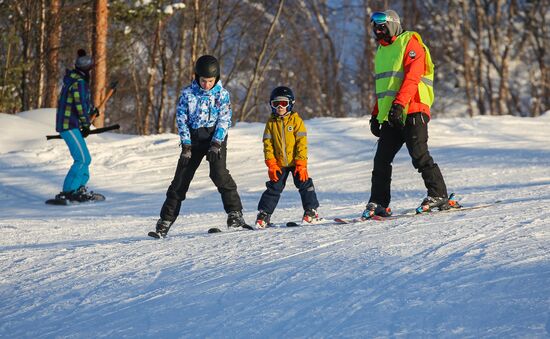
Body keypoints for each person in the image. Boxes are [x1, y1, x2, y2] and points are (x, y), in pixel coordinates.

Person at [363, 10, 458, 219]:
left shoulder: (411, 42)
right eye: (375, 27)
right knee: (381, 160)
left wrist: (399, 105)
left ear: (393, 24)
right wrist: (376, 114)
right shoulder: (382, 51)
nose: (378, 30)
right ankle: (379, 202)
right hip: (393, 113)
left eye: (382, 25)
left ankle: (438, 194)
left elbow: (413, 77)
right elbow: (384, 88)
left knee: (419, 155)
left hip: (413, 108)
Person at [153, 55, 249, 237]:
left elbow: (225, 120)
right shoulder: (187, 94)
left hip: (215, 138)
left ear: (217, 79)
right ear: (197, 77)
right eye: (203, 81)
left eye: (210, 81)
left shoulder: (222, 94)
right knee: (181, 178)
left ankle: (235, 214)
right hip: (194, 139)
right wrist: (186, 146)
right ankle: (165, 220)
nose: (206, 85)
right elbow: (181, 120)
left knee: (218, 174)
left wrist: (216, 143)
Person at [255, 86, 320, 228]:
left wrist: (301, 164)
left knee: (304, 184)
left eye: (283, 103)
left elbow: (302, 144)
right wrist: (271, 163)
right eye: (276, 103)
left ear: (290, 104)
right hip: (279, 164)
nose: (280, 107)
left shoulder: (297, 121)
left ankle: (311, 211)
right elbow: (267, 144)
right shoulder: (271, 124)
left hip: (296, 163)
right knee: (274, 188)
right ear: (271, 105)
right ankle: (264, 215)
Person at [53, 49, 104, 203]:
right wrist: (86, 124)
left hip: (70, 124)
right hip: (68, 125)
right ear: (87, 69)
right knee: (81, 159)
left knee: (85, 158)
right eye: (91, 68)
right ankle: (69, 191)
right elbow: (80, 105)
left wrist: (92, 110)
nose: (92, 71)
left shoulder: (74, 80)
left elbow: (83, 103)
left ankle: (79, 188)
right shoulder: (79, 83)